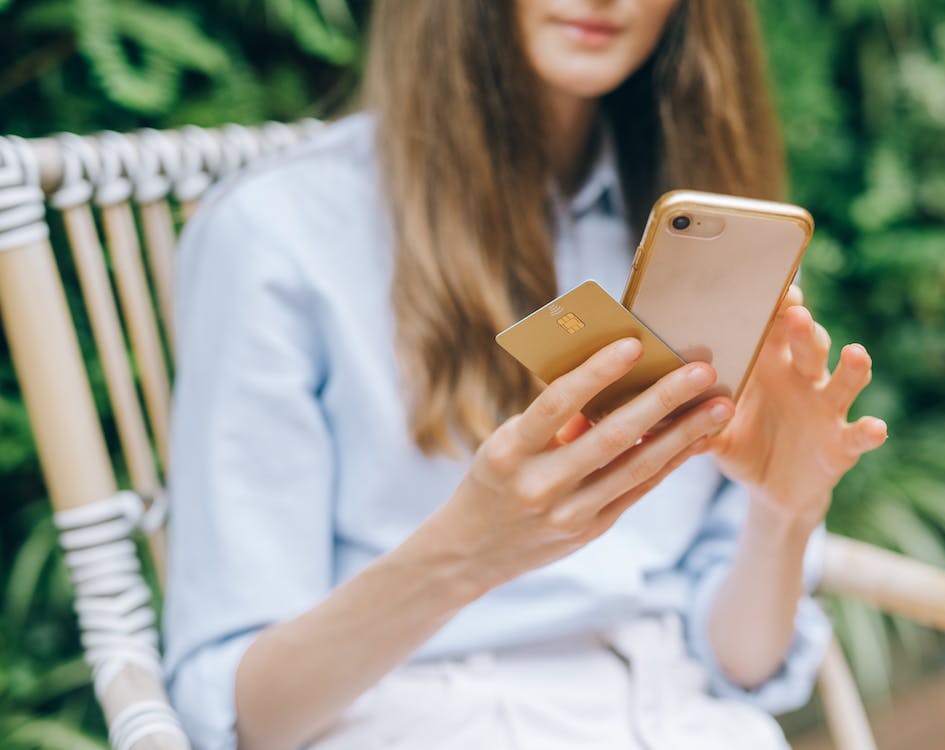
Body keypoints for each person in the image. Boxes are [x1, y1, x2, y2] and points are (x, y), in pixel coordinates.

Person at [163, 1, 888, 748]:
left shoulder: (693, 229)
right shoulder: (278, 235)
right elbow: (243, 715)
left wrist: (785, 511)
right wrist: (467, 551)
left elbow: (738, 660)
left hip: (673, 714)